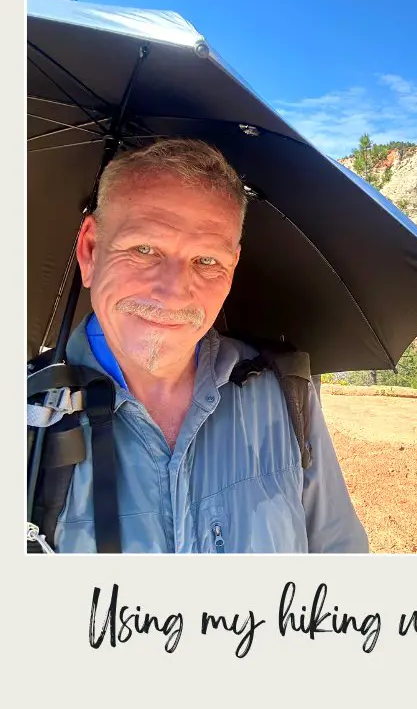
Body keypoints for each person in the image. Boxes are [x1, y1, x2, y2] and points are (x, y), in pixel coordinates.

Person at [53, 138, 369, 553]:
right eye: (145, 249)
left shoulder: (285, 395)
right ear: (91, 250)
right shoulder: (27, 424)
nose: (172, 293)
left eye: (206, 261)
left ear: (232, 268)